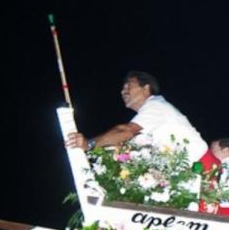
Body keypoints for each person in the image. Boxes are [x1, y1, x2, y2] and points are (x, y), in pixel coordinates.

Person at [64, 71, 217, 168]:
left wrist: (89, 144)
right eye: (122, 88)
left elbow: (125, 131)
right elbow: (119, 146)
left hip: (203, 169)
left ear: (146, 88)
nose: (123, 91)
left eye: (128, 86)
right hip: (185, 176)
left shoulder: (156, 106)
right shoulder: (145, 123)